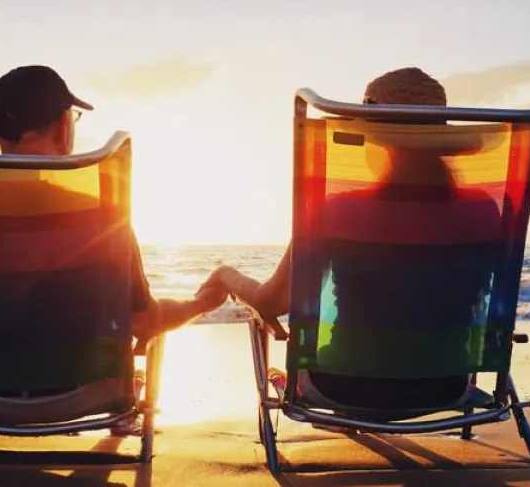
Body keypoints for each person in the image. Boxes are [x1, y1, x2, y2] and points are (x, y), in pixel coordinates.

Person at [0, 65, 227, 424]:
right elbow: (144, 322)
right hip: (83, 397)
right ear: (63, 127)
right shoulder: (101, 217)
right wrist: (200, 303)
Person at [205, 67, 502, 414]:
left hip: (342, 387)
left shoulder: (339, 210)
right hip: (446, 387)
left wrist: (227, 275)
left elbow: (272, 303)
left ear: (376, 141)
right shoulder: (483, 210)